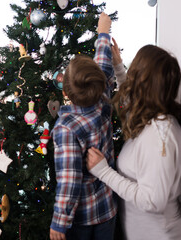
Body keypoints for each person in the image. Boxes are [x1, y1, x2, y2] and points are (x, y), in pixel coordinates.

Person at [86, 44, 181, 239]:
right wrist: (119, 67)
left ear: (142, 83)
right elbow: (131, 105)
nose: (130, 79)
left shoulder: (159, 136)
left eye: (134, 73)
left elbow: (153, 201)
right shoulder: (153, 115)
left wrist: (104, 172)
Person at [49, 13, 117, 240]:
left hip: (83, 219)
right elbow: (104, 62)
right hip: (108, 208)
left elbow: (69, 181)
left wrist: (60, 222)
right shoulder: (103, 95)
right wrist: (103, 32)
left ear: (65, 93)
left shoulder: (65, 127)